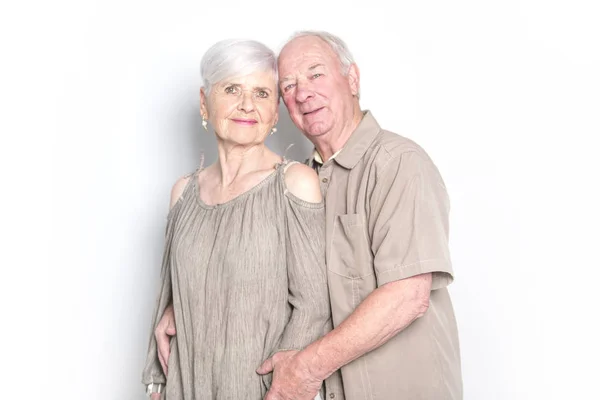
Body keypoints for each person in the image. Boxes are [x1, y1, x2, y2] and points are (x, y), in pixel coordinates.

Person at [156, 31, 463, 400]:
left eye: (316, 74)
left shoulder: (398, 163)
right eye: (289, 85)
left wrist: (305, 368)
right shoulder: (302, 179)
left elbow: (407, 296)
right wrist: (191, 303)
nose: (303, 92)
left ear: (352, 79)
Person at [141, 38, 332, 400]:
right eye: (232, 89)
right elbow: (167, 306)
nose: (247, 105)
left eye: (261, 93)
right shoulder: (182, 193)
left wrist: (283, 385)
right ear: (204, 102)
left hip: (261, 390)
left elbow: (313, 305)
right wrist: (158, 386)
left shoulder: (294, 184)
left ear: (275, 113)